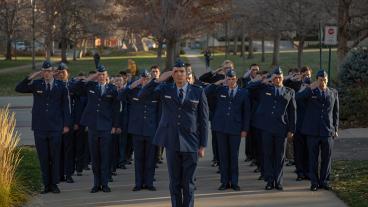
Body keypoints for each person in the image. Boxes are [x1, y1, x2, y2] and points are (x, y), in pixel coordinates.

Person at [138, 59, 209, 207]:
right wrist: (156, 80)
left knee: (188, 182)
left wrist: (202, 145)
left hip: (191, 142)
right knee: (175, 182)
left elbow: (203, 120)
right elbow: (143, 95)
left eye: (181, 71)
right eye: (175, 71)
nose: (178, 74)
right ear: (172, 74)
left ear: (187, 73)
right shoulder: (165, 89)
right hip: (171, 141)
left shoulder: (198, 91)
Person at [15, 60, 71, 194]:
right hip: (40, 127)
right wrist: (32, 76)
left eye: (49, 71)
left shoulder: (61, 86)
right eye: (44, 71)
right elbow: (19, 88)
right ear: (42, 72)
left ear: (53, 72)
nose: (47, 73)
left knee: (55, 156)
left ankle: (54, 184)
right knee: (43, 156)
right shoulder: (36, 84)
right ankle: (46, 184)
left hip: (55, 127)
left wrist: (66, 125)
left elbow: (66, 107)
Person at [247, 66, 296, 191]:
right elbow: (249, 88)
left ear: (283, 78)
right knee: (267, 155)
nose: (278, 79)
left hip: (281, 128)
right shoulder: (264, 89)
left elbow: (292, 112)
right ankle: (269, 180)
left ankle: (278, 181)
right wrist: (262, 80)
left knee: (280, 156)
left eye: (280, 77)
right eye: (275, 77)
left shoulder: (289, 91)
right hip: (266, 128)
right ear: (272, 78)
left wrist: (292, 129)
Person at [74, 64, 120, 193]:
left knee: (105, 156)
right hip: (93, 126)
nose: (101, 77)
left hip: (106, 127)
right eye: (99, 75)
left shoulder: (112, 89)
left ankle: (104, 184)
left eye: (103, 75)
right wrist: (91, 77)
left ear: (107, 76)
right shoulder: (91, 86)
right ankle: (96, 184)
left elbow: (116, 109)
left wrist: (115, 126)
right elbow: (77, 87)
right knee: (94, 157)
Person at [205, 69, 250, 191]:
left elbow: (246, 113)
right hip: (221, 128)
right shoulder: (220, 90)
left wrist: (245, 129)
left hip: (235, 128)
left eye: (233, 79)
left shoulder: (243, 92)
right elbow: (206, 92)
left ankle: (234, 182)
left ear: (236, 79)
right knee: (223, 156)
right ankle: (224, 182)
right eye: (228, 79)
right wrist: (219, 82)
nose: (230, 81)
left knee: (233, 156)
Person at [296, 69, 339, 191]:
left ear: (327, 80)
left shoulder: (333, 93)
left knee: (327, 158)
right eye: (320, 80)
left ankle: (324, 181)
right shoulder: (310, 92)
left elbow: (336, 112)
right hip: (312, 132)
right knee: (313, 158)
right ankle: (314, 182)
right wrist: (309, 88)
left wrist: (335, 128)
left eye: (325, 80)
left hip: (328, 131)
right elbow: (297, 98)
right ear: (317, 80)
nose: (323, 82)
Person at [125, 69, 159, 191]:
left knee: (150, 158)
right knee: (138, 158)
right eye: (143, 78)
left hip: (151, 130)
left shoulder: (155, 92)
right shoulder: (134, 91)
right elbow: (121, 96)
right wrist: (134, 84)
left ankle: (149, 183)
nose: (145, 80)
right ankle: (138, 183)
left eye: (147, 78)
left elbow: (159, 112)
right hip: (137, 129)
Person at [283, 66, 312, 180]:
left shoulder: (314, 86)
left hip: (309, 123)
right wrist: (293, 78)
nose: (307, 77)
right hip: (298, 123)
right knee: (298, 150)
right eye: (304, 75)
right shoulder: (294, 86)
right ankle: (300, 173)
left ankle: (308, 172)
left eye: (308, 75)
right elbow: (284, 84)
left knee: (309, 150)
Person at [55, 62, 75, 183]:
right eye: (59, 72)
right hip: (56, 123)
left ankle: (68, 174)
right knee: (58, 150)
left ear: (68, 73)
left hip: (70, 123)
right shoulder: (54, 85)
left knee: (68, 150)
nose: (62, 74)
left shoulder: (72, 86)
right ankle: (59, 174)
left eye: (64, 72)